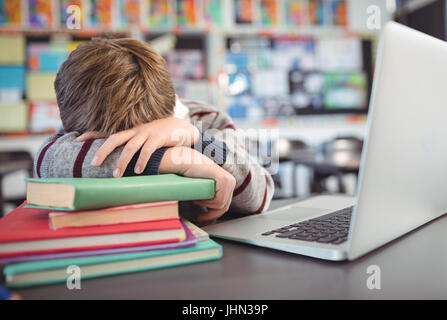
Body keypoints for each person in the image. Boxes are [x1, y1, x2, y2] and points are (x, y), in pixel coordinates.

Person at [34, 38, 274, 223]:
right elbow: (45, 161)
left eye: (143, 138)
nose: (133, 143)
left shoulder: (207, 121)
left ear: (171, 107)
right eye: (115, 143)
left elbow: (260, 195)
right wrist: (173, 158)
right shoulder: (85, 123)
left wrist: (196, 139)